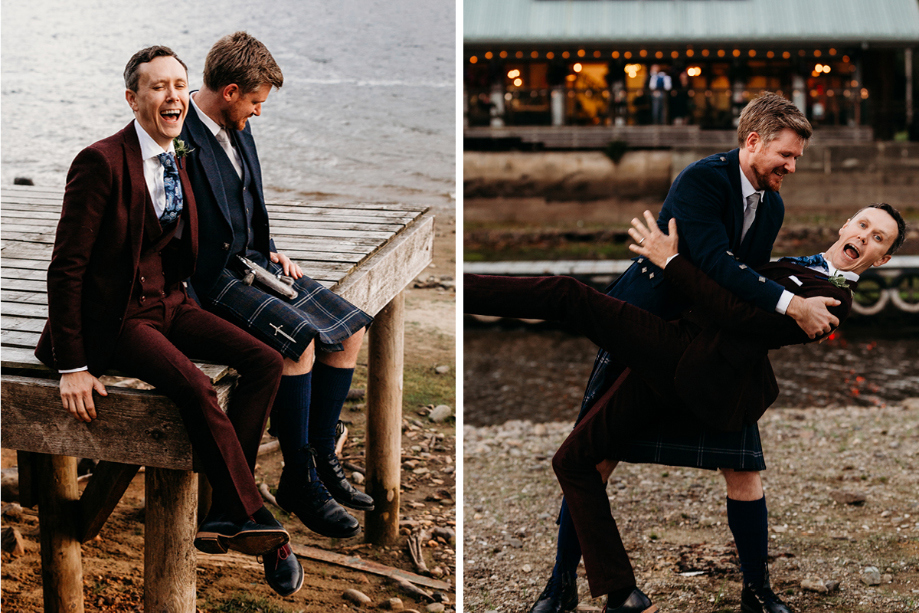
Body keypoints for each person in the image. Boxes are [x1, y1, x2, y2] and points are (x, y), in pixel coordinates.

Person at [466, 203, 906, 613]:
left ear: (882, 260)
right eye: (863, 226)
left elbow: (738, 311)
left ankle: (756, 591)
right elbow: (730, 278)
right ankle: (574, 587)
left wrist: (671, 261)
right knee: (580, 460)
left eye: (879, 239)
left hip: (709, 371)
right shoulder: (795, 264)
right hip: (677, 356)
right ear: (845, 226)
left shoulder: (832, 300)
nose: (866, 237)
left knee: (568, 294)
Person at [518, 91, 843, 613]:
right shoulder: (702, 180)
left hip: (707, 352)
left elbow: (741, 283)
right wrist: (791, 306)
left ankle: (757, 593)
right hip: (642, 335)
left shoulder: (772, 205)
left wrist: (807, 284)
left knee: (743, 472)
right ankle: (559, 588)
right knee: (594, 461)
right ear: (753, 141)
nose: (793, 165)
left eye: (798, 156)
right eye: (786, 154)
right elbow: (717, 265)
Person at [34, 46, 293, 583]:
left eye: (179, 84)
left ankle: (224, 509)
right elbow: (66, 270)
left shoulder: (179, 154)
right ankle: (253, 515)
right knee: (196, 388)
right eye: (157, 87)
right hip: (119, 319)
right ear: (133, 99)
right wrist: (72, 365)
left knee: (266, 361)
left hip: (171, 302)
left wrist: (264, 252)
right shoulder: (100, 162)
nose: (173, 96)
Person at [178, 31, 374, 587]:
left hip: (253, 262)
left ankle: (318, 455)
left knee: (350, 328)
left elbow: (252, 200)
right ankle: (300, 475)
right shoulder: (182, 137)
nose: (259, 112)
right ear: (231, 90)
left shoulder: (237, 126)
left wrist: (271, 250)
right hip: (211, 280)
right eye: (256, 101)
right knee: (299, 343)